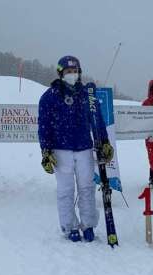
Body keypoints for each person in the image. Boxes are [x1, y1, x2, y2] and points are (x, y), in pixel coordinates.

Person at [38, 55, 113, 242]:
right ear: (60, 73)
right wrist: (46, 150)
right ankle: (69, 226)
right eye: (68, 72)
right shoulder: (50, 96)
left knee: (87, 187)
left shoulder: (86, 94)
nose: (72, 75)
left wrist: (103, 141)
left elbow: (97, 120)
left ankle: (88, 225)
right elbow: (44, 125)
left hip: (84, 147)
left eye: (75, 71)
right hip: (60, 149)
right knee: (65, 189)